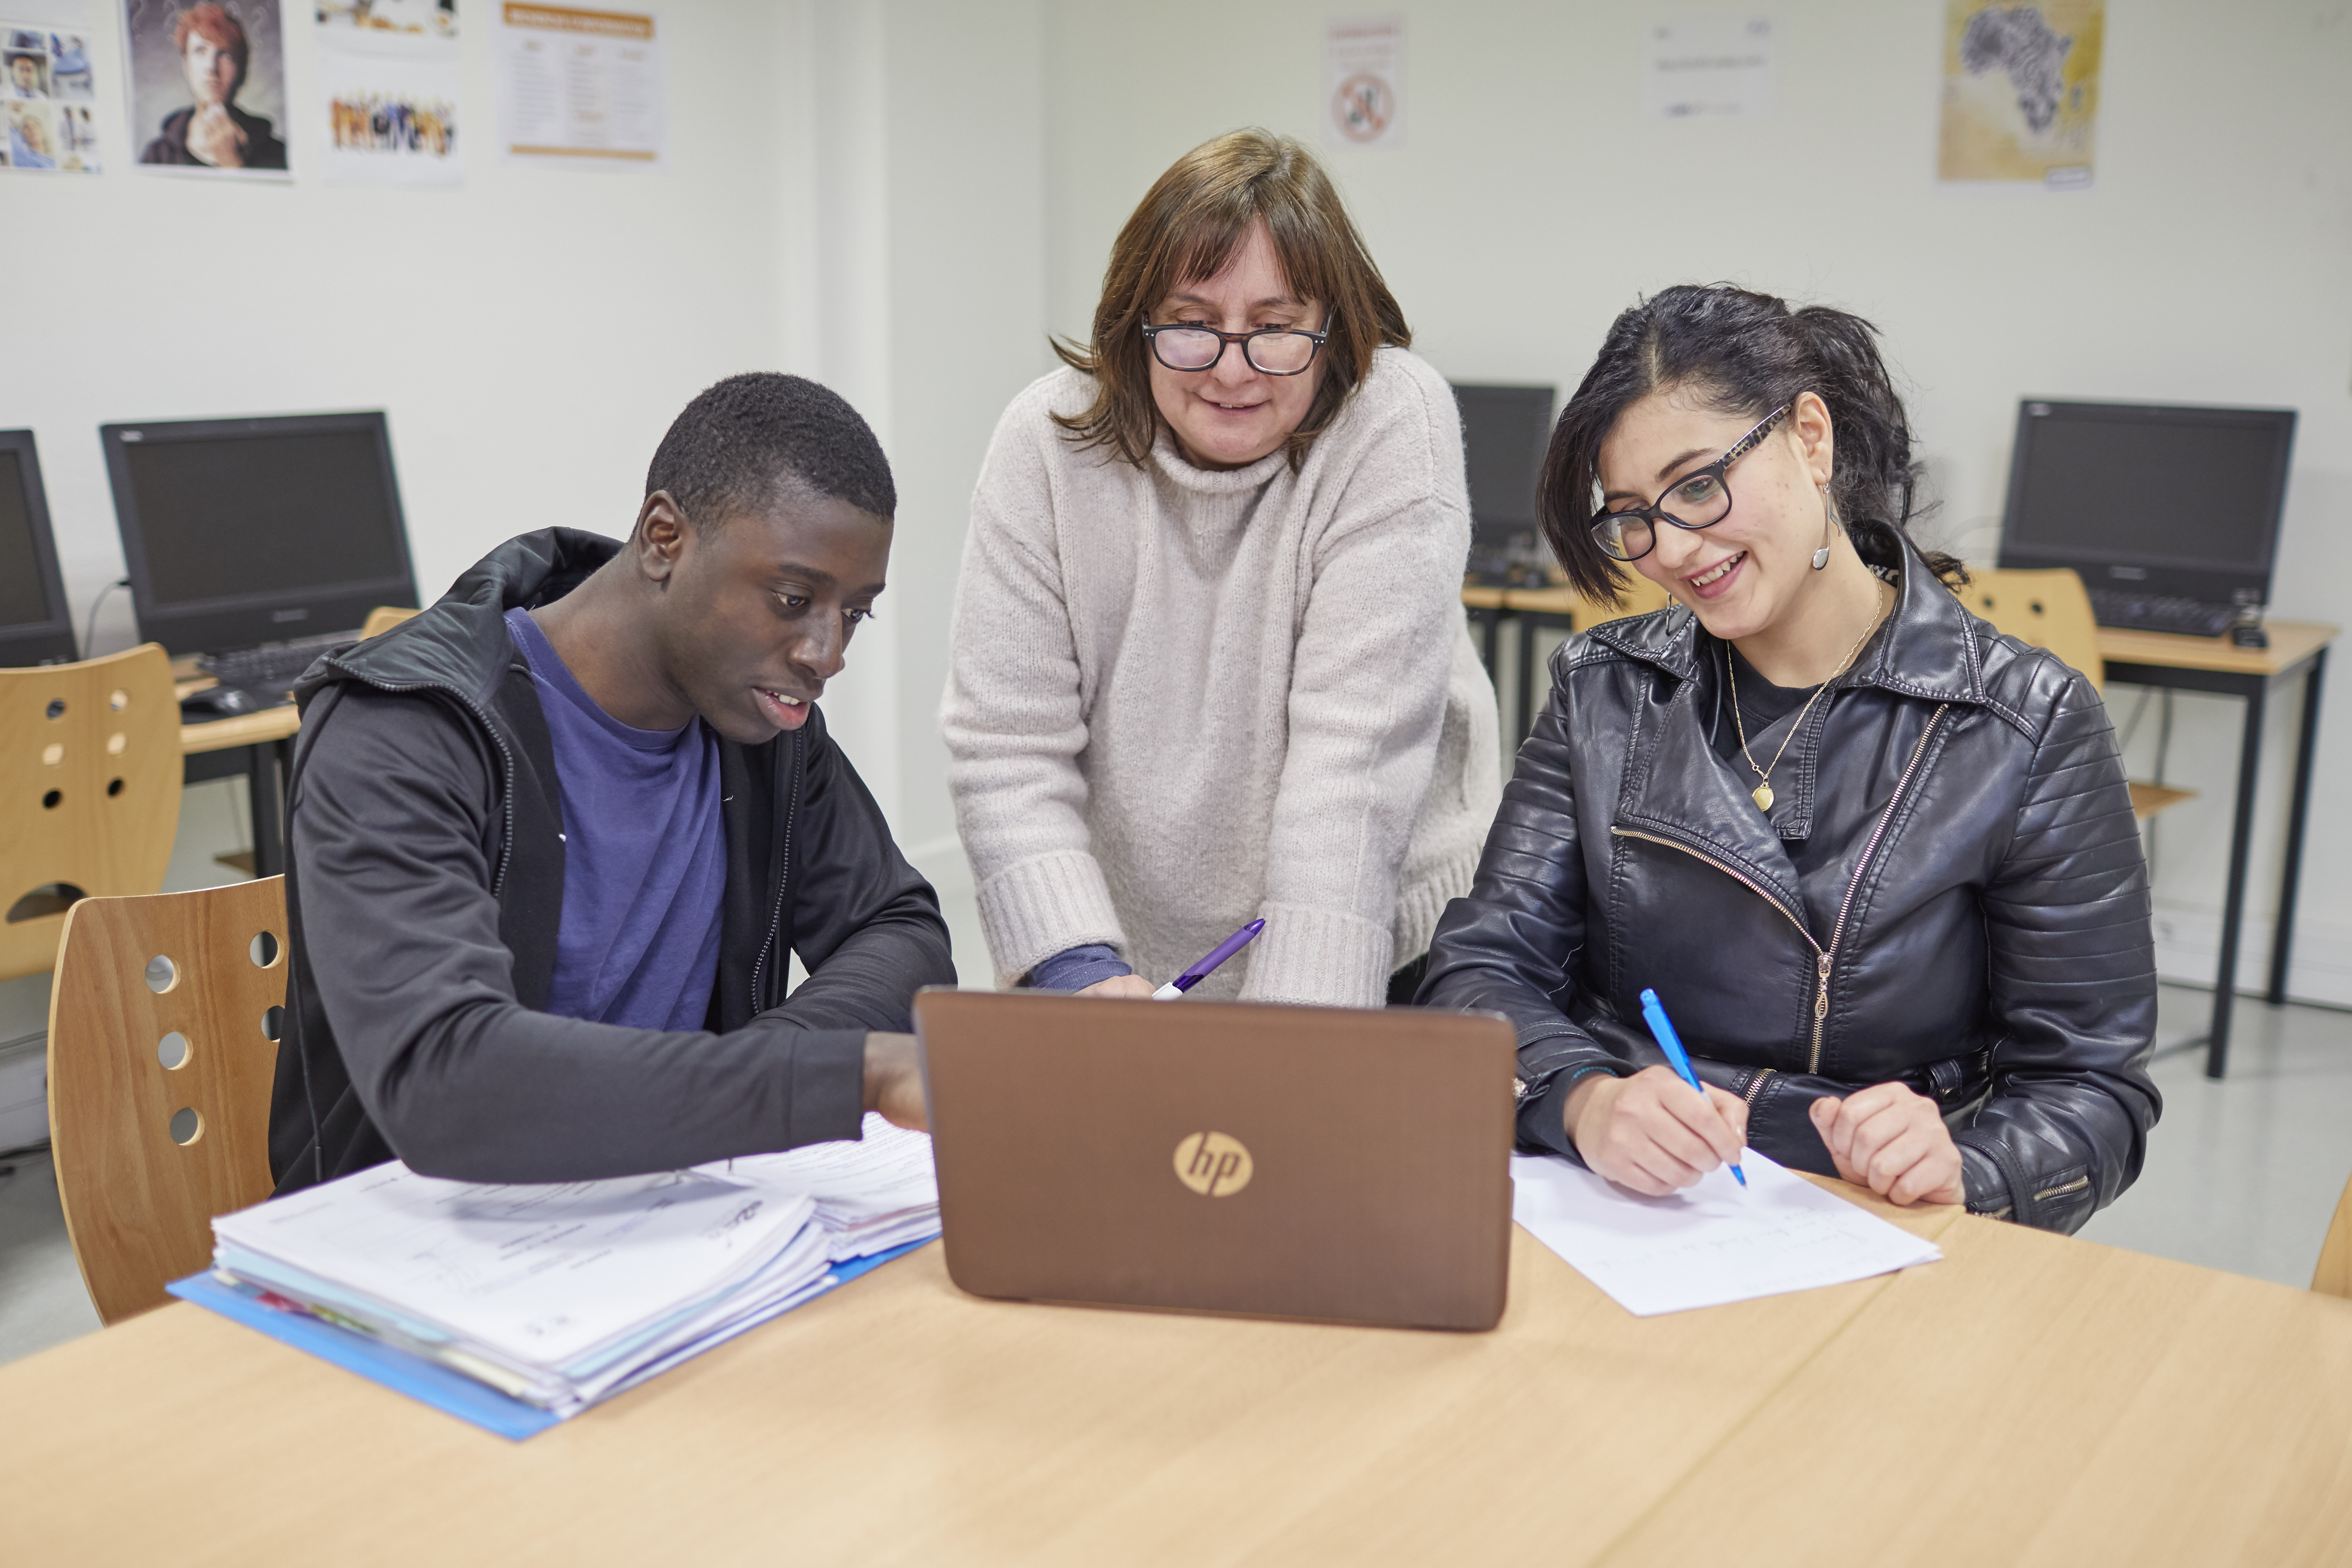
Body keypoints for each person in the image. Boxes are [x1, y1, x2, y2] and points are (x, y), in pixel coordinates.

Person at [1420, 284, 2158, 1233]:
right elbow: (1479, 969)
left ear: (1809, 438)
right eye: (1633, 518)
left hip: (1879, 1225)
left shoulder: (2024, 725)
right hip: (1636, 1210)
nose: (1674, 549)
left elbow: (2091, 1088)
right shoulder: (1600, 691)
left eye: (1697, 485)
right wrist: (1584, 1102)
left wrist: (1963, 1166)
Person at [269, 374, 954, 1191]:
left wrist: (761, 1069)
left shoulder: (762, 724)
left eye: (854, 613)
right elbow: (446, 1079)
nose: (826, 651)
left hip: (667, 1212)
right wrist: (840, 1076)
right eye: (792, 598)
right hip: (416, 1242)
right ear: (664, 538)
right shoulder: (404, 728)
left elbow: (898, 928)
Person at [942, 128, 1500, 1008]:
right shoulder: (1044, 443)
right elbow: (1007, 747)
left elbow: (1350, 774)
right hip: (1125, 951)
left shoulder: (1393, 417)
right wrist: (1078, 967)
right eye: (1193, 326)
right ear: (1137, 322)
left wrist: (1287, 1046)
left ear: (1334, 325)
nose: (1233, 369)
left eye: (1276, 328)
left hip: (1381, 938)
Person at [138, 3, 286, 170]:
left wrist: (233, 163)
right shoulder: (158, 155)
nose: (212, 68)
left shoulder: (277, 153)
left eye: (226, 55)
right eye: (201, 51)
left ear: (242, 70)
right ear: (186, 66)